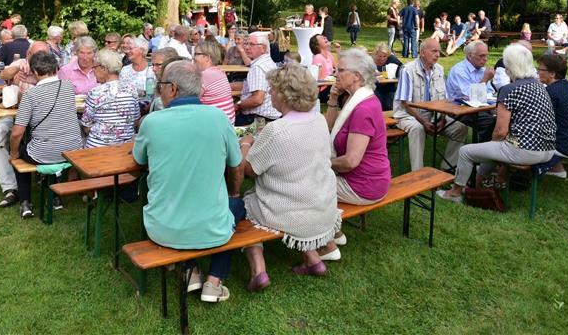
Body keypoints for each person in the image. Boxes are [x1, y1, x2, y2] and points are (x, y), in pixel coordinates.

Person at [133, 60, 244, 303]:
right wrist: (234, 192)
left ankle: (190, 270)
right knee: (236, 205)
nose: (159, 90)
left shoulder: (152, 122)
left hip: (163, 228)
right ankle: (213, 282)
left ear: (172, 88)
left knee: (189, 206)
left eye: (161, 85)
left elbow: (138, 159)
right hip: (212, 229)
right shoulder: (219, 118)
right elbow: (236, 166)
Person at [237, 64, 341, 289]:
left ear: (284, 94)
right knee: (294, 191)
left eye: (273, 89)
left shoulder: (277, 130)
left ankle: (258, 270)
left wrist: (245, 143)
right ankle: (312, 259)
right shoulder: (319, 119)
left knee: (247, 202)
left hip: (289, 211)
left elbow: (249, 170)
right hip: (323, 205)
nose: (270, 92)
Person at [438, 44, 557, 202]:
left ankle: (455, 193)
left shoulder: (509, 89)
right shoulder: (539, 86)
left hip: (527, 150)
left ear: (510, 67)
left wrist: (492, 146)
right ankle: (477, 185)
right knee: (493, 147)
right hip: (548, 148)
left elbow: (500, 132)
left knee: (466, 151)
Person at [9, 52, 83, 218]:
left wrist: (13, 154)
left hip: (45, 153)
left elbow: (17, 133)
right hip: (73, 149)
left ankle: (25, 202)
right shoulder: (68, 86)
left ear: (35, 71)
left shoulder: (30, 95)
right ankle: (55, 197)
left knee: (19, 152)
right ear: (55, 68)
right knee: (53, 140)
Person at [0, 41, 49, 209]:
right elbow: (2, 75)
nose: (40, 58)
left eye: (43, 55)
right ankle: (11, 187)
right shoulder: (21, 63)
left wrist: (35, 80)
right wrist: (15, 69)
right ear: (28, 54)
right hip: (16, 117)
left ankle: (46, 180)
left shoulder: (51, 69)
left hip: (43, 121)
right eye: (36, 55)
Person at [325, 49, 390, 204]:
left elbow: (350, 161)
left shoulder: (363, 108)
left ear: (357, 76)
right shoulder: (356, 98)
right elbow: (329, 127)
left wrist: (320, 163)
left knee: (302, 185)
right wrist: (333, 98)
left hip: (363, 186)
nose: (335, 74)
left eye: (340, 70)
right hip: (367, 180)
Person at [393, 38, 467, 172]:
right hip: (408, 115)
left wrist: (442, 119)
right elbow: (406, 103)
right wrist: (423, 122)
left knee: (460, 128)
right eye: (434, 51)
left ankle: (448, 166)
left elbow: (444, 100)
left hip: (434, 115)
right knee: (417, 129)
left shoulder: (439, 69)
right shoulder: (407, 70)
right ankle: (418, 172)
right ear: (422, 52)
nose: (438, 54)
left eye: (439, 51)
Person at [81, 49, 140, 148]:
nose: (93, 71)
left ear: (103, 68)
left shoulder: (95, 92)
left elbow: (86, 127)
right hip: (126, 148)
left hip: (98, 149)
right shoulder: (132, 89)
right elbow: (135, 121)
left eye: (94, 67)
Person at [445, 40, 497, 142]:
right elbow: (470, 97)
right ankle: (483, 149)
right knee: (489, 121)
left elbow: (489, 93)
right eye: (481, 56)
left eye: (486, 55)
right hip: (459, 108)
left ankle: (496, 148)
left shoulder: (482, 70)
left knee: (503, 117)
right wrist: (485, 79)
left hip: (479, 107)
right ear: (469, 56)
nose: (485, 59)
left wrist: (494, 107)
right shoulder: (459, 71)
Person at [236, 32, 280, 125]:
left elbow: (257, 99)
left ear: (263, 48)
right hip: (272, 116)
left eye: (251, 44)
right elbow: (249, 85)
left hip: (258, 119)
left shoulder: (258, 67)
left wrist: (238, 105)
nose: (247, 47)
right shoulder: (268, 61)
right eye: (246, 44)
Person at [194, 39, 235, 123]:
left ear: (207, 57)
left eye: (196, 54)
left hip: (216, 125)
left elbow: (191, 100)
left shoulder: (205, 75)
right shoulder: (219, 71)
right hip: (228, 122)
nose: (193, 57)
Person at [372, 42, 402, 111]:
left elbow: (402, 69)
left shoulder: (392, 59)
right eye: (380, 56)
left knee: (389, 104)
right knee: (377, 103)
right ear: (376, 55)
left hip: (390, 87)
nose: (382, 58)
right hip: (376, 88)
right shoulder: (371, 61)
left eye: (385, 56)